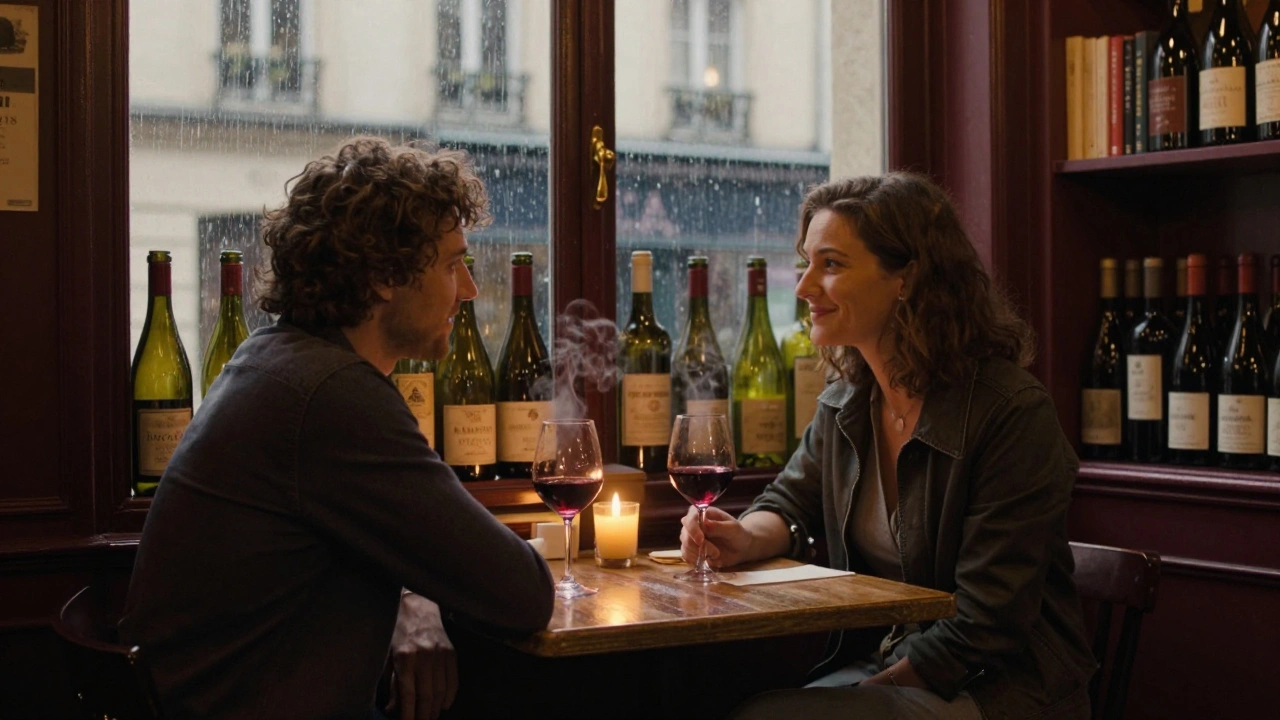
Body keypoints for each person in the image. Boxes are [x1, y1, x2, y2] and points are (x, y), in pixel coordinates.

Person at [119, 137, 555, 720]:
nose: (469, 291)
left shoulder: (277, 359)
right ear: (382, 277)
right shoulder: (334, 397)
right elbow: (522, 593)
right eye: (453, 265)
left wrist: (412, 593)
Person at [680, 172, 1096, 719]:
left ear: (907, 277)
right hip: (891, 666)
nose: (804, 287)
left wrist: (872, 686)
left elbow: (989, 619)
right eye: (806, 262)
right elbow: (789, 505)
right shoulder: (846, 402)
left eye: (831, 264)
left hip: (999, 687)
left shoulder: (1010, 412)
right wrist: (740, 538)